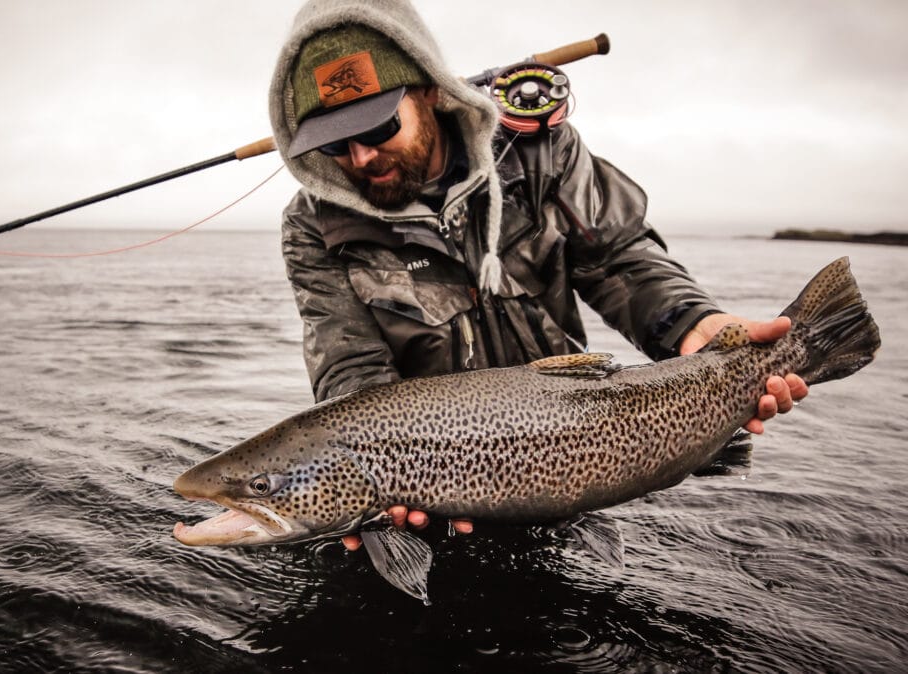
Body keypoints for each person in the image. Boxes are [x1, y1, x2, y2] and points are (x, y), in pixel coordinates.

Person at [267, 0, 808, 549]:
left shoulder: (539, 152)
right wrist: (375, 481)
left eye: (378, 126)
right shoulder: (314, 226)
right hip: (431, 490)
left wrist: (694, 324)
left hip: (577, 446)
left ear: (430, 90)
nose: (360, 157)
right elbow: (350, 366)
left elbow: (618, 259)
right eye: (333, 143)